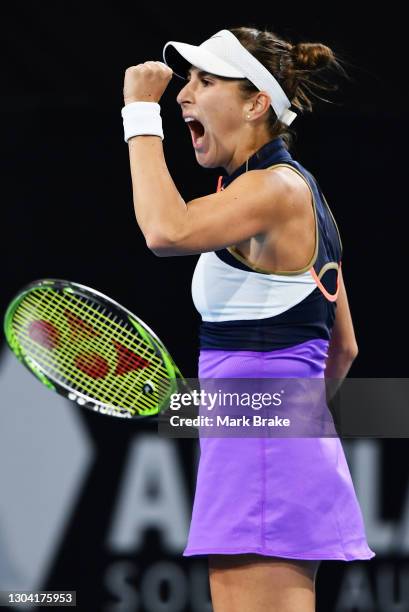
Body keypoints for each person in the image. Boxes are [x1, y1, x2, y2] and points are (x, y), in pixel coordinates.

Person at [121, 26, 375, 612]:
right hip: (269, 445)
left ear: (257, 103)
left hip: (259, 453)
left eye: (206, 81)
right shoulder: (296, 192)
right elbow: (344, 350)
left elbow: (166, 230)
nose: (184, 93)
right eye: (188, 79)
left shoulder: (275, 191)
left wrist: (139, 112)